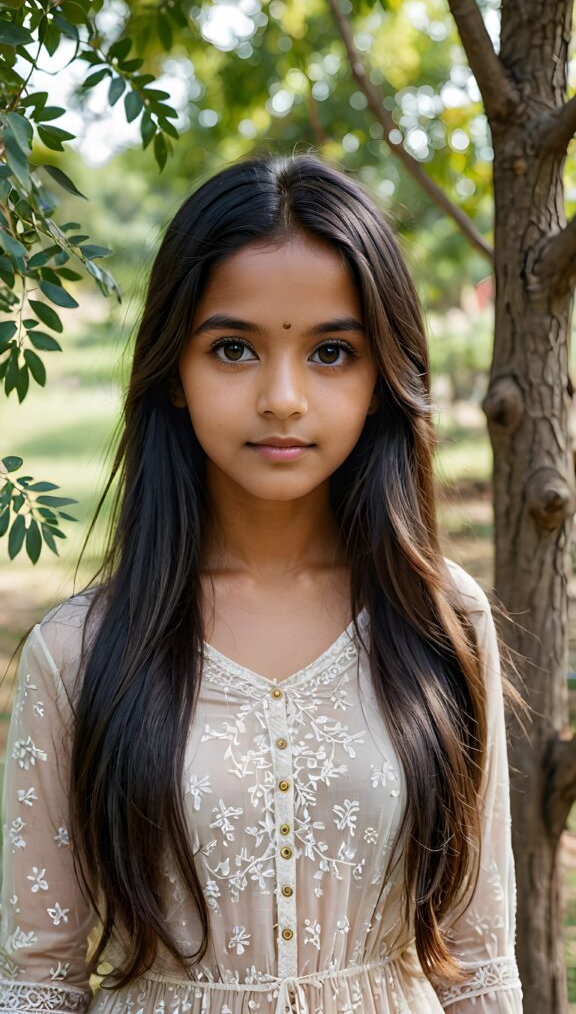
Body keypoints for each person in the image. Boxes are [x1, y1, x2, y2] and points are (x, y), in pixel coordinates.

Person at [0, 151, 523, 1014]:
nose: (283, 398)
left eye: (331, 351)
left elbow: (478, 960)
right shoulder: (79, 653)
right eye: (234, 347)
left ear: (381, 374)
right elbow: (37, 980)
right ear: (174, 368)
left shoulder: (442, 621)